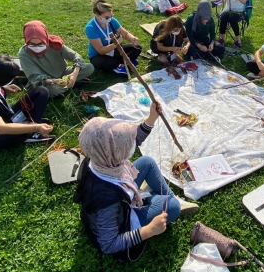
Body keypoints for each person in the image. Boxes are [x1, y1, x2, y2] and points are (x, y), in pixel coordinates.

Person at [73, 102, 198, 261]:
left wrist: (152, 118)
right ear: (112, 152)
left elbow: (133, 139)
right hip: (123, 221)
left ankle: (153, 197)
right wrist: (149, 231)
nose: (133, 145)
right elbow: (108, 244)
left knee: (146, 161)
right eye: (127, 145)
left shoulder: (100, 159)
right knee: (172, 206)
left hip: (120, 195)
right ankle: (159, 199)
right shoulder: (105, 199)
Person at [18, 20, 94, 98]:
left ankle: (68, 85)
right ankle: (71, 85)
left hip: (63, 73)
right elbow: (35, 77)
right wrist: (53, 81)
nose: (37, 47)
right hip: (47, 82)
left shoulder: (54, 43)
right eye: (32, 44)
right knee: (50, 90)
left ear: (45, 39)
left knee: (89, 68)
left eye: (41, 43)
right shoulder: (24, 54)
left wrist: (74, 74)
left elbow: (75, 56)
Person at [85, 0, 142, 75]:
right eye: (107, 17)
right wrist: (116, 43)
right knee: (111, 62)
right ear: (97, 14)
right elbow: (101, 51)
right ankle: (122, 63)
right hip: (98, 55)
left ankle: (122, 63)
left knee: (137, 48)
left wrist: (133, 39)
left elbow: (125, 33)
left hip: (114, 50)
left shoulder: (111, 21)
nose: (109, 19)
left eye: (111, 16)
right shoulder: (91, 27)